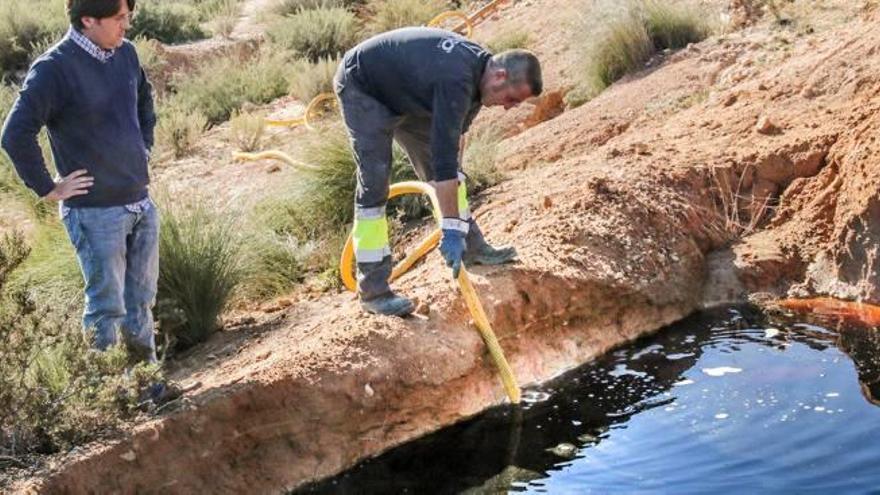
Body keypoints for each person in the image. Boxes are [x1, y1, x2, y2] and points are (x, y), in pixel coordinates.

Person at [335, 27, 543, 316]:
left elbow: (452, 150)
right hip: (365, 86)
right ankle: (373, 291)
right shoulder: (456, 79)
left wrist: (456, 224)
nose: (509, 108)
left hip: (406, 93)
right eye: (511, 99)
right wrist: (449, 230)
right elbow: (444, 163)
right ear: (500, 76)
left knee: (445, 169)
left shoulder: (479, 83)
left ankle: (473, 247)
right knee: (375, 182)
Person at [1, 0, 161, 366]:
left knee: (140, 301)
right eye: (119, 18)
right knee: (107, 309)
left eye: (127, 17)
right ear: (88, 19)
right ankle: (107, 394)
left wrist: (143, 148)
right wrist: (48, 187)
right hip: (95, 214)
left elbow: (144, 102)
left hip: (140, 202)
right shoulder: (54, 69)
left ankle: (146, 383)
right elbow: (15, 134)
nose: (126, 26)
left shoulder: (126, 54)